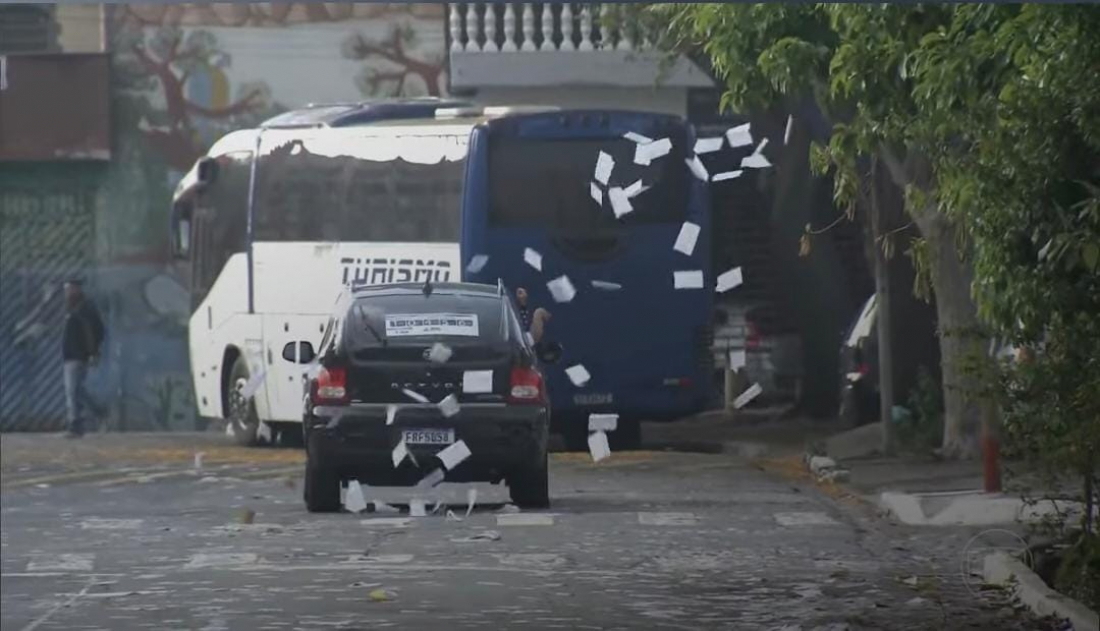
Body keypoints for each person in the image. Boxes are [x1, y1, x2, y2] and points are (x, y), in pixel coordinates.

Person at [61, 279, 106, 438]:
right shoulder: (71, 307)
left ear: (77, 289)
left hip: (79, 355)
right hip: (70, 355)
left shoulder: (85, 308)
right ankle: (97, 411)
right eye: (66, 289)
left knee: (72, 391)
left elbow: (96, 331)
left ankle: (75, 424)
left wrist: (92, 352)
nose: (67, 292)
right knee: (77, 390)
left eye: (70, 289)